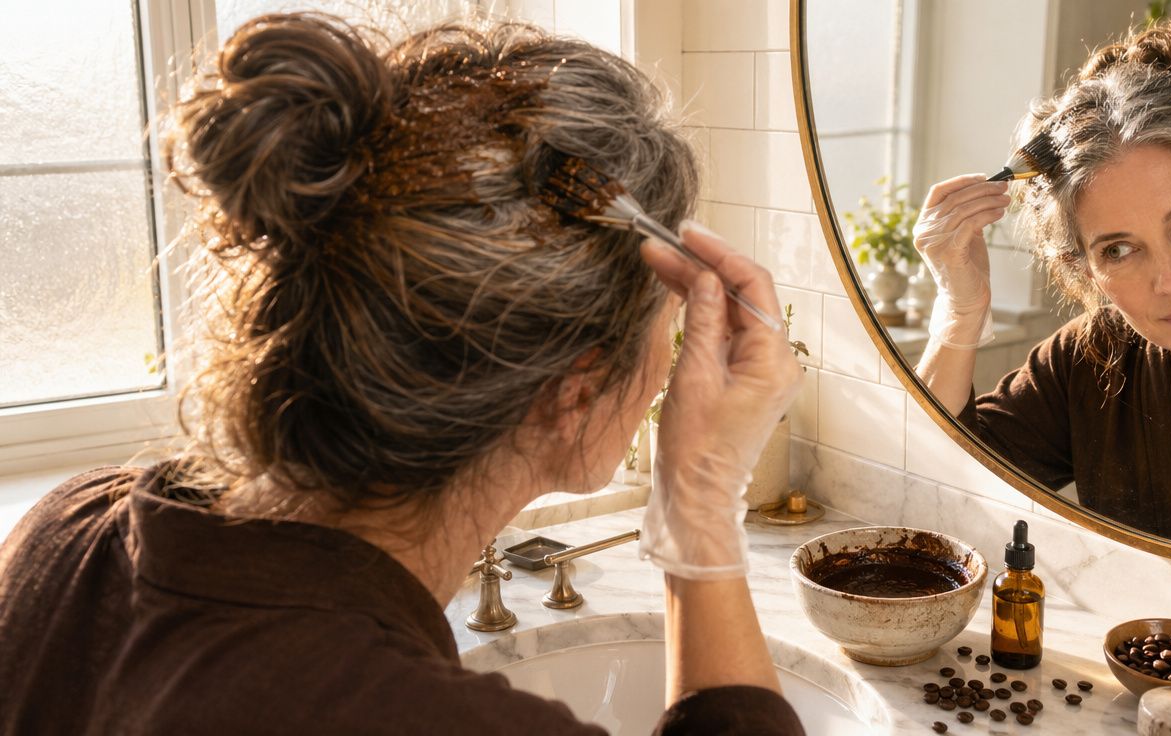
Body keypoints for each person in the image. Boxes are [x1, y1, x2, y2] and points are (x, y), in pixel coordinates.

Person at [0, 14, 804, 734]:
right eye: (669, 325)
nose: (668, 364)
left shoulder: (68, 531)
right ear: (577, 389)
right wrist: (699, 513)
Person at [913, 17, 1171, 556]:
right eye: (1118, 250)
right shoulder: (1092, 359)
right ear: (1083, 270)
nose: (1170, 280)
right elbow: (932, 492)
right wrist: (959, 310)